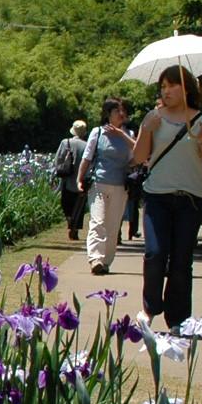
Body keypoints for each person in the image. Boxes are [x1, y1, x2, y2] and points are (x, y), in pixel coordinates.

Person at [129, 66, 202, 330]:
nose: (166, 91)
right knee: (155, 253)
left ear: (187, 89)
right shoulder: (153, 117)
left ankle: (179, 318)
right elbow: (138, 158)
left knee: (182, 261)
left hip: (190, 199)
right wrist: (146, 130)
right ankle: (150, 307)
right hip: (157, 195)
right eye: (163, 86)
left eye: (172, 85)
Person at [78, 97, 135, 275]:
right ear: (108, 114)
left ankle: (105, 261)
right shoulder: (98, 132)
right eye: (117, 110)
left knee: (113, 226)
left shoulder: (129, 134)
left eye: (123, 110)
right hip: (99, 183)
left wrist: (122, 135)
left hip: (120, 186)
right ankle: (95, 258)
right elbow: (87, 157)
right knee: (98, 221)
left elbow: (138, 155)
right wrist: (80, 179)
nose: (121, 113)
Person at [54, 120, 90, 240]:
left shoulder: (65, 142)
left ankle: (70, 220)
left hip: (67, 179)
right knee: (79, 206)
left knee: (66, 203)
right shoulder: (87, 145)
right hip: (81, 180)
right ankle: (75, 228)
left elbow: (58, 160)